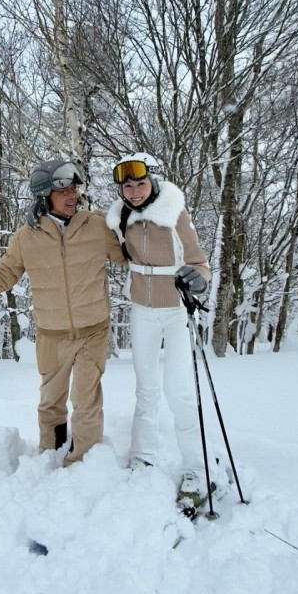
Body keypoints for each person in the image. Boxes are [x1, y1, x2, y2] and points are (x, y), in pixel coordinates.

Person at [0, 158, 125, 466]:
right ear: (44, 195)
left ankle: (82, 466)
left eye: (74, 188)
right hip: (51, 335)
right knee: (51, 404)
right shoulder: (26, 237)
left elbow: (129, 257)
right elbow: (1, 276)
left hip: (93, 332)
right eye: (62, 190)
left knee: (86, 402)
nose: (72, 195)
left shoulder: (96, 225)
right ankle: (48, 458)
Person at [106, 151, 211, 512]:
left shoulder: (174, 212)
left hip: (176, 309)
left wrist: (198, 279)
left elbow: (200, 262)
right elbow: (114, 251)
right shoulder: (121, 216)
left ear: (153, 181)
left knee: (178, 390)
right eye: (127, 186)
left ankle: (196, 469)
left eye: (140, 184)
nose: (134, 192)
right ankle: (142, 458)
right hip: (142, 309)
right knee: (146, 388)